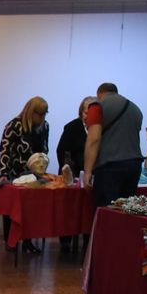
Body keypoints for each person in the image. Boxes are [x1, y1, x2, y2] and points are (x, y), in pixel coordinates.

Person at [0, 96, 50, 254]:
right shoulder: (14, 125)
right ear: (32, 112)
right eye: (40, 114)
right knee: (12, 203)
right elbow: (4, 152)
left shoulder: (45, 126)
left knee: (33, 206)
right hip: (13, 172)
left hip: (33, 173)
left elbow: (44, 150)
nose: (43, 118)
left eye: (45, 114)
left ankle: (28, 240)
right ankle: (10, 240)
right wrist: (3, 174)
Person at [82, 82, 144, 207]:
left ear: (99, 94)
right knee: (126, 210)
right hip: (134, 166)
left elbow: (94, 139)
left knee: (107, 210)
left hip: (110, 167)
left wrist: (87, 172)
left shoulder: (97, 106)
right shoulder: (136, 109)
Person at [54, 95, 97, 253]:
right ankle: (66, 241)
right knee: (69, 209)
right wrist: (69, 173)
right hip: (73, 175)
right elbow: (62, 151)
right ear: (81, 112)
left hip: (92, 176)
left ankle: (88, 240)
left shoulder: (100, 128)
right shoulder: (72, 127)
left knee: (89, 209)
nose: (89, 116)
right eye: (86, 112)